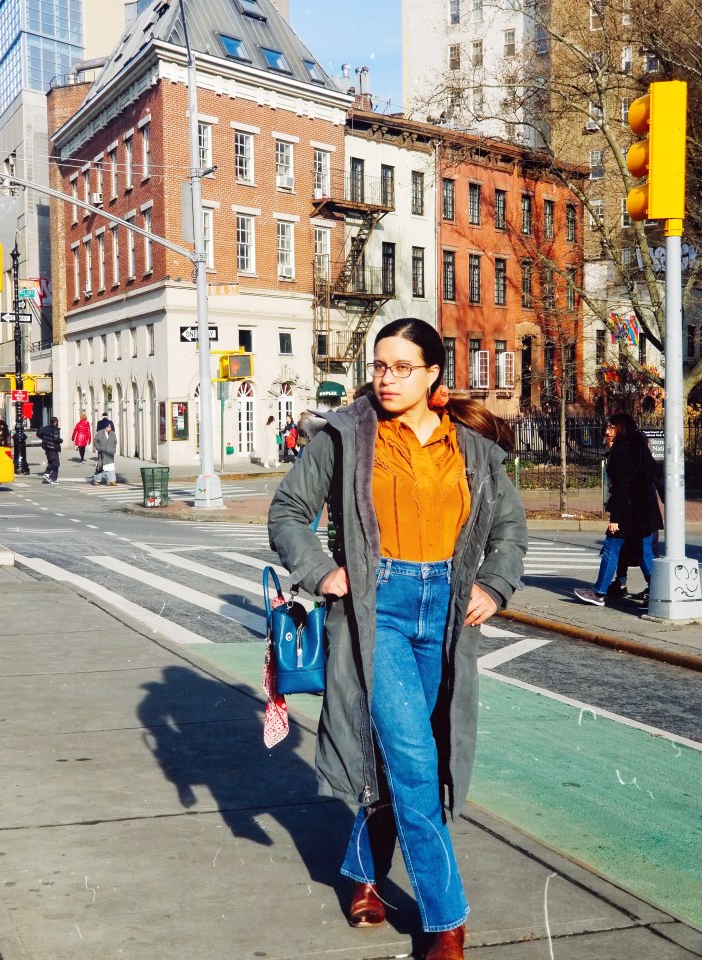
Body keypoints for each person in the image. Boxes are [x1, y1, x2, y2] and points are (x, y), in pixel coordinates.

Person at [268, 318, 528, 960]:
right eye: (379, 366)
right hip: (374, 609)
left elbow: (510, 529)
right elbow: (287, 512)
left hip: (443, 613)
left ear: (433, 373)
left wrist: (493, 586)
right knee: (414, 767)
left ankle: (361, 874)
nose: (385, 379)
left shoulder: (469, 446)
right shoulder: (345, 436)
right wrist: (323, 572)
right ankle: (446, 922)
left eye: (401, 367)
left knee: (406, 755)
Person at [575, 413, 663, 607]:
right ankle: (658, 593)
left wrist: (615, 517)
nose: (607, 431)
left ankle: (599, 592)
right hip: (644, 512)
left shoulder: (621, 452)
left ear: (621, 427)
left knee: (611, 549)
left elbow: (622, 486)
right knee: (644, 552)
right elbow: (653, 475)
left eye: (611, 427)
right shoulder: (639, 448)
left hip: (628, 512)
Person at [90, 421, 117, 486]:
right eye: (108, 427)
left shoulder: (113, 434)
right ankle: (97, 480)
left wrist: (113, 450)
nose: (109, 429)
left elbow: (115, 443)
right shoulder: (100, 433)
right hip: (102, 453)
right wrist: (99, 448)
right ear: (105, 427)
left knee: (110, 467)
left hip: (109, 453)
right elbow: (95, 441)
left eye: (110, 427)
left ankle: (112, 481)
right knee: (100, 467)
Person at [37, 417, 62, 484]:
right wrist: (61, 440)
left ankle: (46, 474)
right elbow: (56, 439)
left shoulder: (45, 428)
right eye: (57, 422)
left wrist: (45, 438)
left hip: (47, 448)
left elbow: (38, 433)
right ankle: (53, 479)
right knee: (56, 464)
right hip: (53, 448)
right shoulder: (55, 430)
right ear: (55, 422)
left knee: (51, 462)